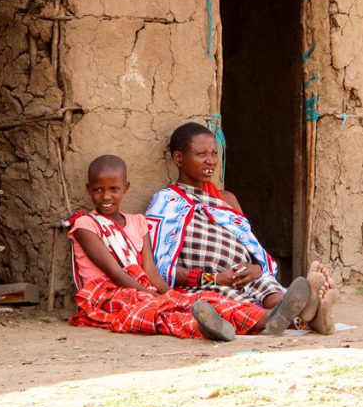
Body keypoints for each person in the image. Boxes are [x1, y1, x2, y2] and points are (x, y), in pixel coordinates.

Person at [67, 154, 311, 341]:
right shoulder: (85, 225)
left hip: (141, 288)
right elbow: (115, 273)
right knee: (165, 314)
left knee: (201, 299)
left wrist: (168, 293)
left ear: (126, 188)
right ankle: (256, 322)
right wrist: (154, 295)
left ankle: (273, 318)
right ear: (89, 190)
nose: (106, 196)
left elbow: (150, 271)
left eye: (113, 189)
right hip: (109, 293)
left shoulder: (138, 223)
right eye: (98, 190)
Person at [146, 122, 339, 335]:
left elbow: (250, 244)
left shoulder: (226, 199)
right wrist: (215, 278)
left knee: (269, 288)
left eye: (214, 153)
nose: (210, 161)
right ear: (179, 159)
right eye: (201, 154)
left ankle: (307, 313)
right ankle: (307, 316)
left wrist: (257, 268)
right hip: (208, 282)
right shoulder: (166, 202)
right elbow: (163, 268)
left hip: (245, 274)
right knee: (237, 303)